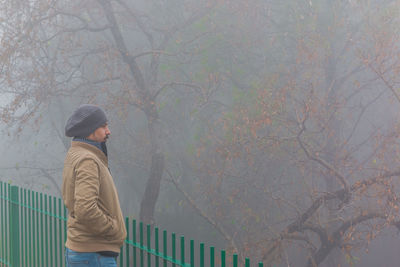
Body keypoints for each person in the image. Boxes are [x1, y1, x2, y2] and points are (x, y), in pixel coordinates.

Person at [62, 104, 127, 267]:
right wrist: (112, 228)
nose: (108, 131)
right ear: (90, 130)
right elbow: (85, 208)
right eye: (103, 126)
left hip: (86, 253)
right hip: (93, 255)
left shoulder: (77, 153)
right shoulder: (88, 160)